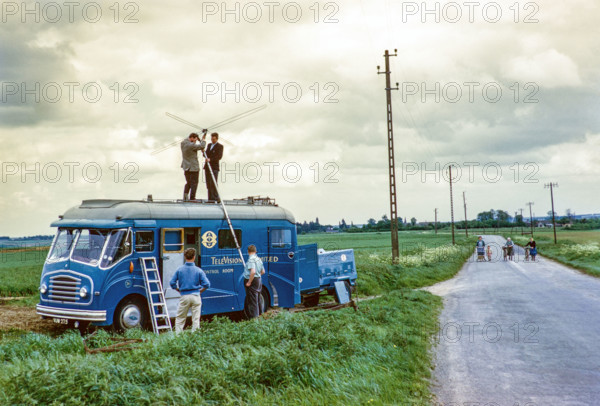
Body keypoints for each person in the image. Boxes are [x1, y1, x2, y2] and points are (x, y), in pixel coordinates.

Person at [169, 248, 211, 333]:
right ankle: (195, 336)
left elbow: (172, 283)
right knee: (196, 319)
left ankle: (178, 337)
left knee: (180, 318)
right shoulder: (199, 270)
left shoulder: (179, 270)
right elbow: (207, 284)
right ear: (194, 257)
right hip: (196, 296)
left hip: (184, 296)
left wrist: (178, 290)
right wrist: (200, 291)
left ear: (185, 257)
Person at [181, 131, 207, 201]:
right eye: (195, 140)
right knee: (194, 183)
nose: (195, 142)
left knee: (188, 183)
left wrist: (197, 138)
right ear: (191, 138)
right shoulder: (191, 145)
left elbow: (188, 139)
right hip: (193, 167)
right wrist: (203, 140)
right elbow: (202, 146)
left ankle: (185, 196)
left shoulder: (183, 143)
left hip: (186, 167)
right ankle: (192, 198)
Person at [243, 244, 265, 319]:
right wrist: (257, 276)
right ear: (255, 251)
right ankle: (261, 316)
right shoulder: (258, 259)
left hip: (252, 280)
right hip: (258, 279)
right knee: (258, 299)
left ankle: (254, 319)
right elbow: (263, 271)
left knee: (252, 301)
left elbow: (253, 271)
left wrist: (249, 281)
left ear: (248, 251)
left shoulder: (251, 259)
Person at [204, 132, 223, 202]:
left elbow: (219, 156)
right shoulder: (209, 145)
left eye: (214, 139)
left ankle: (215, 197)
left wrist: (210, 159)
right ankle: (210, 198)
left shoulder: (220, 146)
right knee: (208, 183)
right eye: (212, 139)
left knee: (213, 182)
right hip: (207, 167)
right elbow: (205, 154)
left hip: (214, 167)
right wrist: (204, 153)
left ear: (217, 139)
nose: (212, 140)